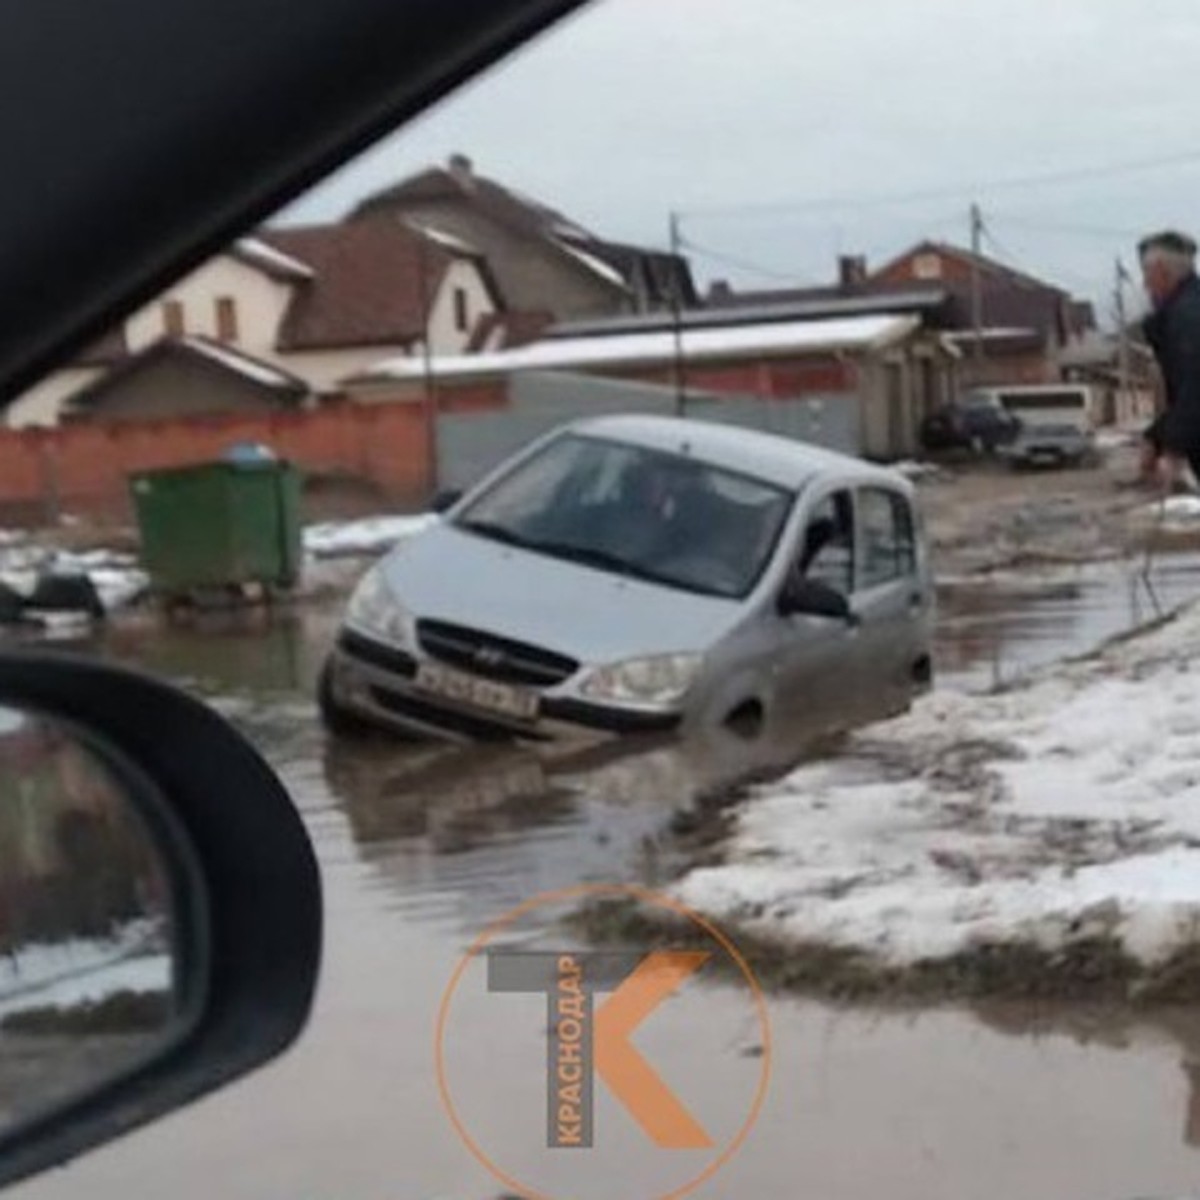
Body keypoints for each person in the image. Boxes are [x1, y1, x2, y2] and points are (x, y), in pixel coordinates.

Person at [1138, 230, 1200, 490]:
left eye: (1146, 275)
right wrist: (1156, 437)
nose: (1144, 285)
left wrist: (1173, 448)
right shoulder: (1184, 312)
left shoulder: (1188, 318)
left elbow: (1195, 386)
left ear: (1162, 271)